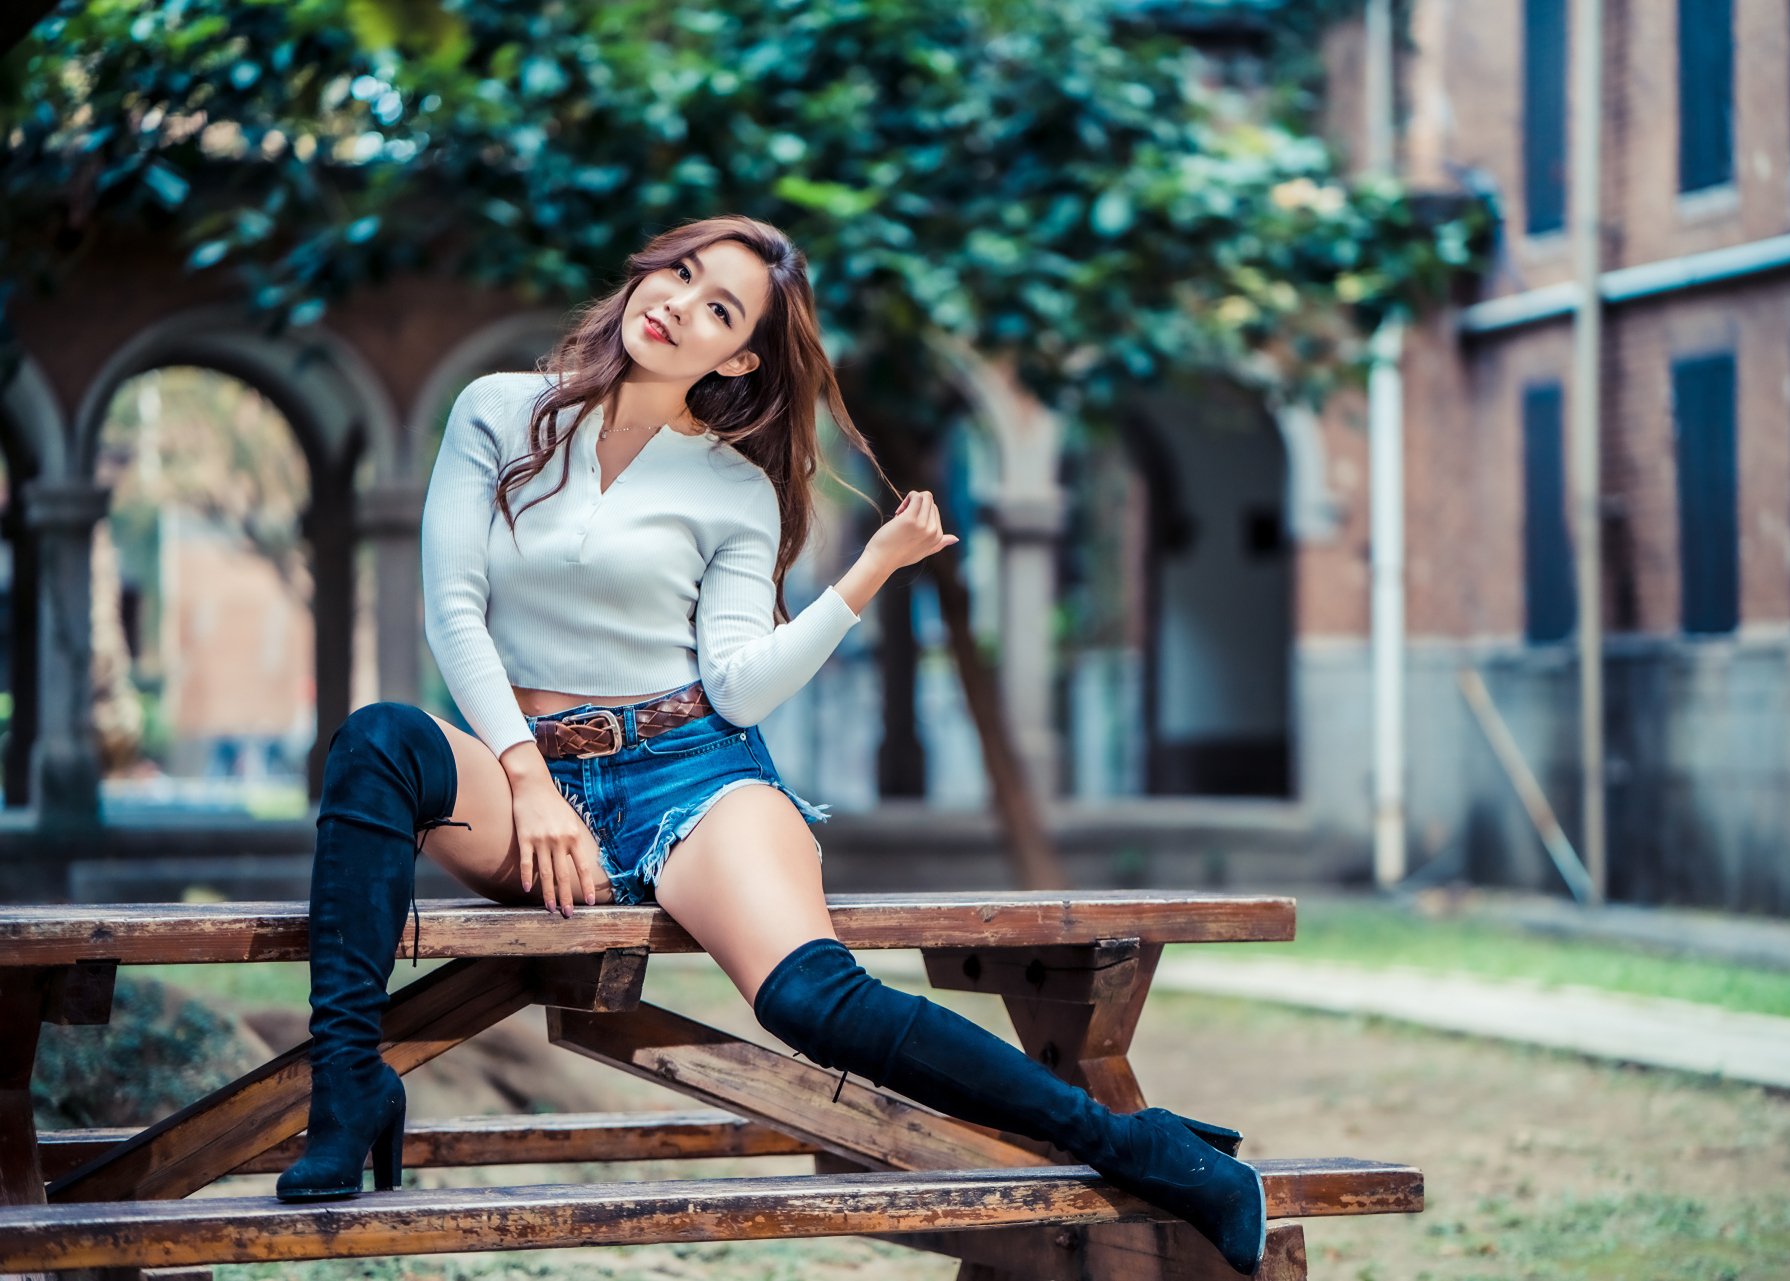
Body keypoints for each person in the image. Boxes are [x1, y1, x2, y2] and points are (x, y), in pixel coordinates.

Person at [276, 214, 1268, 1275]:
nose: (678, 305)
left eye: (719, 309)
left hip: (690, 775)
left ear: (739, 358)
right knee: (378, 742)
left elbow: (737, 686)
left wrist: (868, 573)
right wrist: (527, 777)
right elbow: (453, 610)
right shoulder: (498, 410)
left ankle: (1142, 1146)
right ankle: (350, 1086)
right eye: (680, 273)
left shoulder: (734, 486)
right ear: (646, 269)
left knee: (810, 997)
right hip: (525, 773)